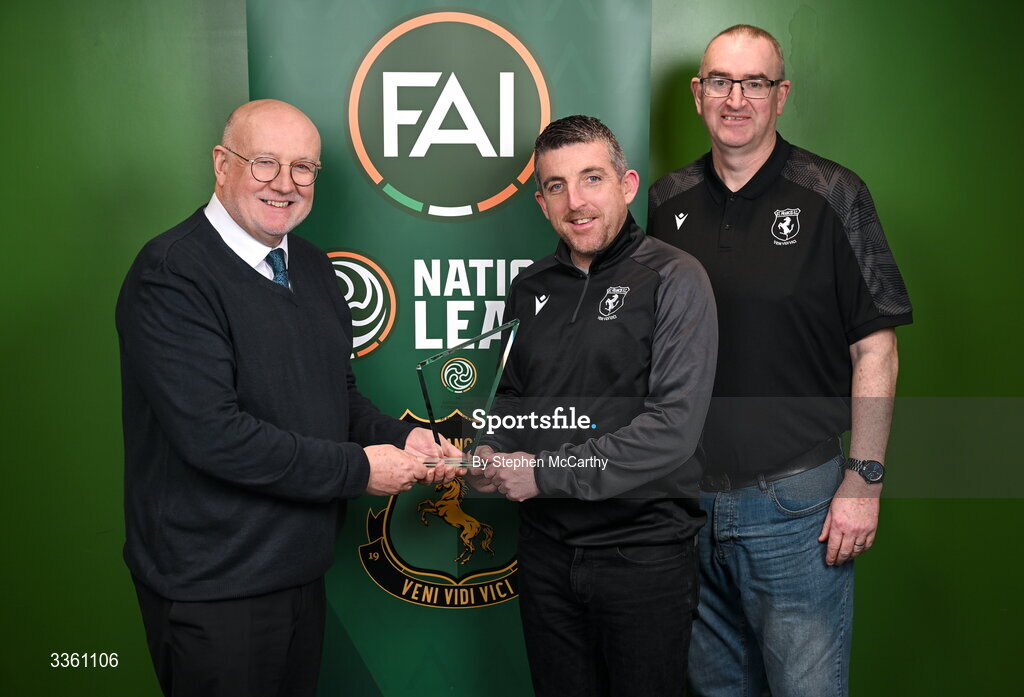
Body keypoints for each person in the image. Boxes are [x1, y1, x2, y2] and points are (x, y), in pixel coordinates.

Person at [116, 99, 461, 697]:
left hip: (297, 571)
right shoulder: (171, 275)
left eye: (303, 167)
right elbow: (213, 436)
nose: (285, 184)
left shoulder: (311, 265)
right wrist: (359, 469)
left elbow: (336, 395)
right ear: (222, 165)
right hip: (214, 587)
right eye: (265, 163)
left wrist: (397, 436)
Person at [647, 25, 913, 697]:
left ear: (780, 95)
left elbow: (875, 347)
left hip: (797, 507)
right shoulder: (664, 201)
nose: (735, 98)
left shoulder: (832, 194)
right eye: (719, 81)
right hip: (690, 507)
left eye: (754, 83)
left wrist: (866, 480)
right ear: (697, 93)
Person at [469, 115, 718, 697]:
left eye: (591, 179)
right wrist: (490, 447)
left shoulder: (675, 278)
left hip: (642, 557)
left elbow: (672, 428)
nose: (576, 201)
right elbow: (513, 399)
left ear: (626, 185)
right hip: (547, 556)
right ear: (541, 202)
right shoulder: (529, 287)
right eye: (557, 186)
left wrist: (543, 474)